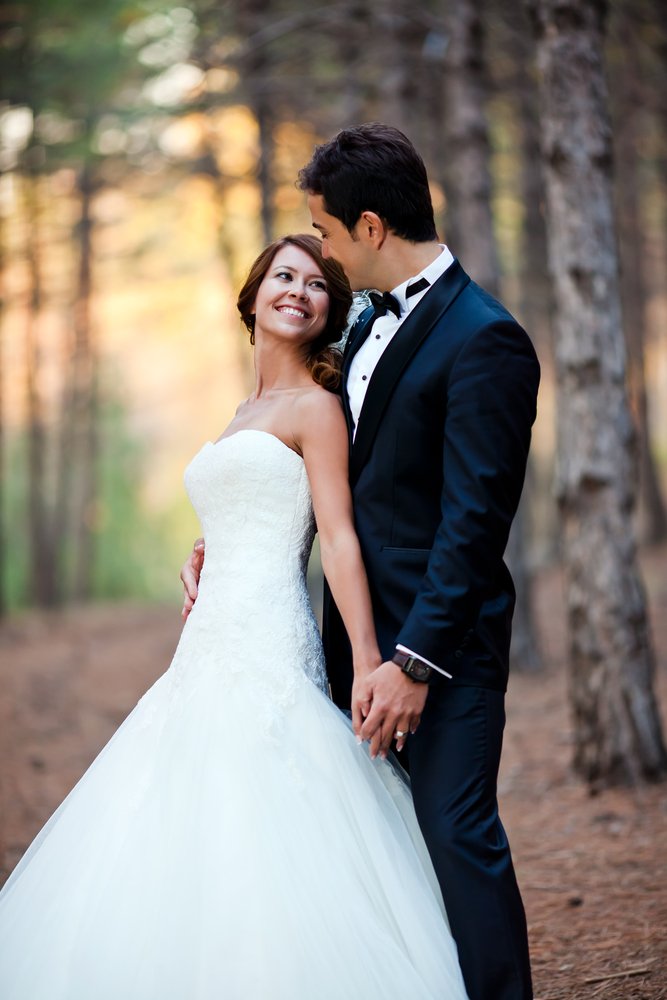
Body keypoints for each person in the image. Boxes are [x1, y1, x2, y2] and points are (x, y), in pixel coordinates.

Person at [0, 233, 469, 1000]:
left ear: (327, 314)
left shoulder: (317, 409)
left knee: (267, 808)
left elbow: (339, 538)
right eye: (283, 275)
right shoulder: (244, 411)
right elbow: (246, 501)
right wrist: (203, 545)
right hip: (204, 648)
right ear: (251, 298)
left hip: (269, 644)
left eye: (316, 285)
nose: (298, 290)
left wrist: (365, 659)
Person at [183, 124, 541, 1000]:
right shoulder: (362, 332)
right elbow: (323, 483)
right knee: (375, 849)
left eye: (329, 233)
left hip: (437, 655)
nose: (325, 254)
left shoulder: (484, 337)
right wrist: (231, 537)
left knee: (455, 837)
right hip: (351, 648)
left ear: (372, 226)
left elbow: (473, 522)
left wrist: (413, 661)